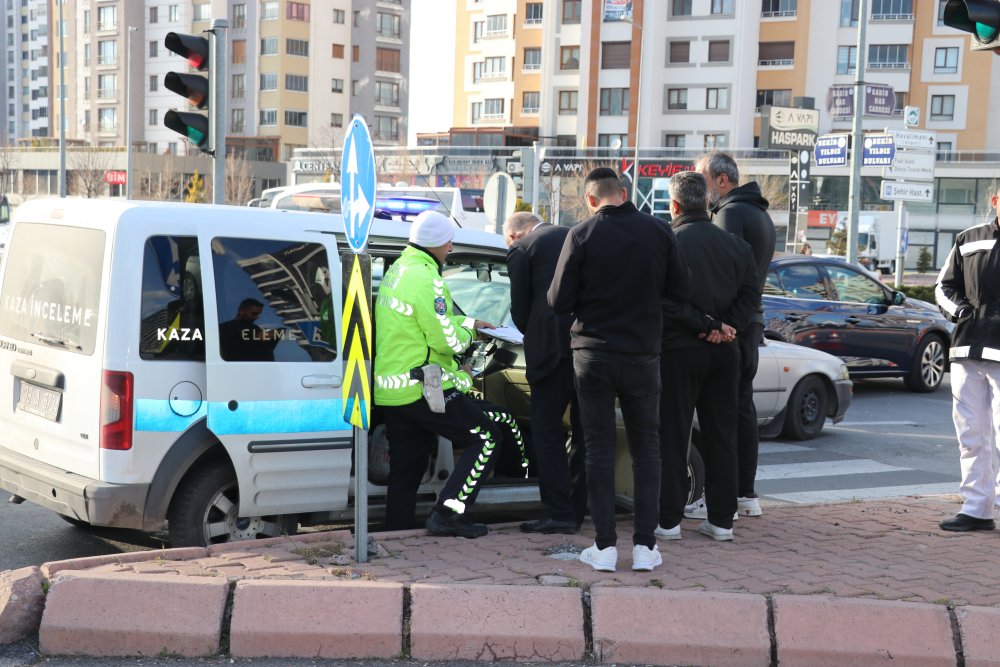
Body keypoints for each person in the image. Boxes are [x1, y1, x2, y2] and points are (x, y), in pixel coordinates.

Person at [548, 167, 691, 573]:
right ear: (624, 193)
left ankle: (605, 547)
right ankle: (645, 547)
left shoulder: (581, 234)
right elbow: (683, 290)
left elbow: (557, 300)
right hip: (644, 355)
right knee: (648, 448)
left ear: (591, 200)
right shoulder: (660, 232)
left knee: (598, 448)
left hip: (592, 355)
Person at [374, 210, 527, 539]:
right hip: (426, 389)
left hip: (395, 390)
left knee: (406, 469)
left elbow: (421, 324)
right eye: (449, 242)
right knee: (486, 436)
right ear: (437, 242)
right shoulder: (427, 278)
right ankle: (448, 513)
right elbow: (447, 340)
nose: (451, 248)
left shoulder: (400, 269)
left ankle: (394, 536)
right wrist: (474, 337)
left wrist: (470, 322)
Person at [657, 171, 760, 543]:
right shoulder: (736, 246)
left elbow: (664, 302)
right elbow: (751, 297)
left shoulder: (667, 242)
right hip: (724, 352)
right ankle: (721, 521)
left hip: (679, 351)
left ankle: (667, 521)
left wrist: (703, 324)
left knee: (672, 434)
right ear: (707, 201)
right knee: (721, 436)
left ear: (674, 205)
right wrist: (724, 326)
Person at [694, 151, 775, 520]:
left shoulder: (729, 214)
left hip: (731, 327)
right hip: (750, 324)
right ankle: (745, 493)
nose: (700, 188)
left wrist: (716, 326)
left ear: (721, 180)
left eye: (702, 179)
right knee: (742, 409)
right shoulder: (758, 212)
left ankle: (721, 499)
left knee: (722, 413)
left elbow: (720, 275)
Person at [504, 211, 586, 534]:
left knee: (547, 432)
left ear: (514, 235)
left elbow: (520, 310)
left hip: (548, 354)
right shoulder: (579, 235)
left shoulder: (521, 249)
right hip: (586, 347)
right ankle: (578, 510)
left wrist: (533, 332)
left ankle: (557, 513)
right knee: (586, 433)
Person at [934, 189, 1000, 532]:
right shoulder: (968, 239)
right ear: (995, 201)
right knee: (970, 433)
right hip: (966, 350)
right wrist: (960, 312)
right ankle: (977, 509)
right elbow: (943, 286)